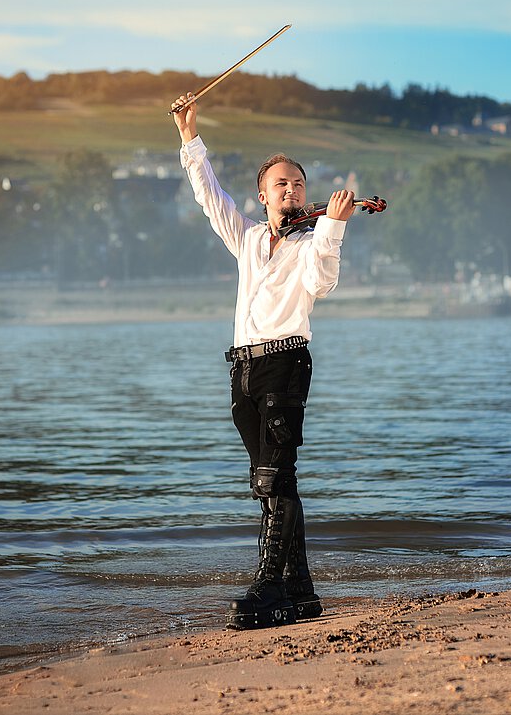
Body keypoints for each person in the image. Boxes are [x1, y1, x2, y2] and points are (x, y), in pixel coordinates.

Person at [171, 92, 355, 630]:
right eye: (283, 184)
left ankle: (270, 587)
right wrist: (189, 136)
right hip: (243, 369)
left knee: (274, 478)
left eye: (299, 184)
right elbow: (209, 196)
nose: (293, 190)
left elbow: (322, 282)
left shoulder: (312, 241)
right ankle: (300, 592)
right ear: (264, 194)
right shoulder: (248, 238)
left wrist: (334, 227)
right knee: (271, 480)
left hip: (285, 364)